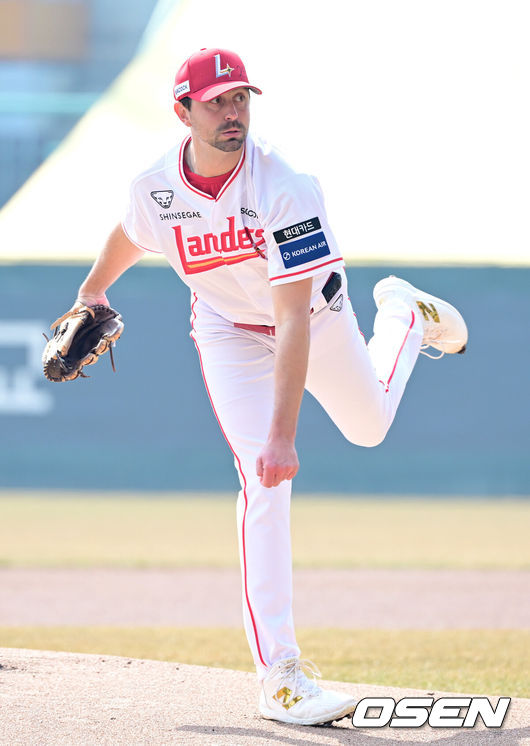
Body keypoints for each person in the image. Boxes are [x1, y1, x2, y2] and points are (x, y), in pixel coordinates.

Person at [74, 47, 468, 726]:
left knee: (368, 429)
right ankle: (280, 676)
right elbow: (135, 231)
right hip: (227, 330)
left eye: (241, 98)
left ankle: (403, 314)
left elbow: (292, 320)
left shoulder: (284, 187)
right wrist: (92, 291)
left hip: (313, 317)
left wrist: (284, 435)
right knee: (262, 483)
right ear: (183, 112)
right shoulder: (156, 186)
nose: (233, 112)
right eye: (217, 102)